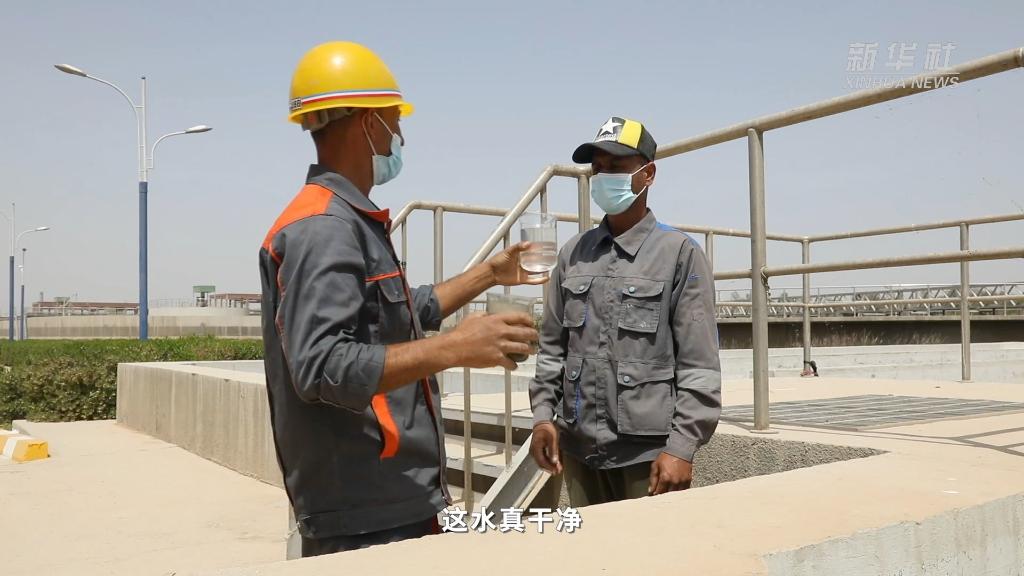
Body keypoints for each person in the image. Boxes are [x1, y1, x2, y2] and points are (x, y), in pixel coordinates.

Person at [260, 41, 544, 557]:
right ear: (370, 122)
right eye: (395, 122)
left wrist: (489, 274)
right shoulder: (324, 227)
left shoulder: (345, 217)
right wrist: (455, 347)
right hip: (364, 508)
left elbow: (402, 311)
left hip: (387, 496)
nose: (400, 136)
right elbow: (321, 366)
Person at [529, 117, 721, 506]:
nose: (604, 177)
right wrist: (543, 417)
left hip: (648, 458)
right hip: (580, 449)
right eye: (597, 168)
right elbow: (552, 350)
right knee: (593, 545)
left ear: (647, 174)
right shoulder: (573, 255)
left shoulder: (679, 254)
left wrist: (682, 446)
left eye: (616, 166)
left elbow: (699, 364)